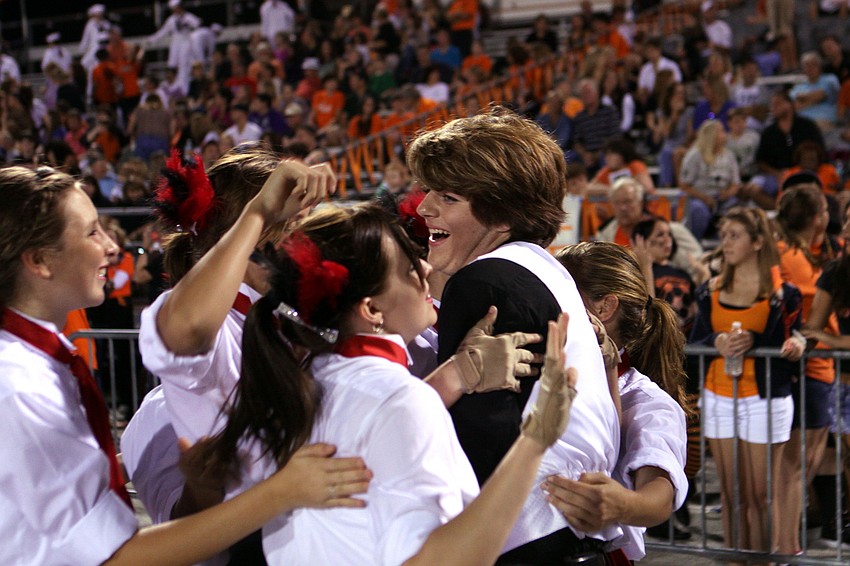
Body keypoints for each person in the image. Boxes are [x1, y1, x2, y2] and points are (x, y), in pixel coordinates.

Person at [0, 165, 373, 565]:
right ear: (39, 260)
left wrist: (203, 489)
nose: (111, 247)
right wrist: (282, 491)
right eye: (92, 232)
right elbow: (110, 558)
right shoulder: (19, 386)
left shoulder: (42, 366)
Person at [205, 202, 577, 565]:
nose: (426, 267)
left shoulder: (302, 381)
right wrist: (535, 441)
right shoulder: (398, 399)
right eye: (410, 268)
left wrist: (459, 373)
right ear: (371, 310)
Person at [410, 109, 621, 562]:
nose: (424, 207)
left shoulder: (482, 282)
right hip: (563, 528)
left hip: (521, 533)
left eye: (448, 196)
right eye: (428, 190)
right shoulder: (543, 267)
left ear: (501, 213)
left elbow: (475, 443)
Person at [550, 241, 689, 560]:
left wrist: (621, 505)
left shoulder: (643, 397)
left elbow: (659, 497)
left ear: (604, 308)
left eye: (558, 292)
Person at [689, 207, 805, 555]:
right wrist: (717, 341)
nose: (725, 242)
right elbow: (695, 342)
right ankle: (735, 561)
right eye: (723, 235)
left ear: (757, 242)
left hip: (764, 399)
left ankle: (763, 560)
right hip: (719, 395)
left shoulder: (782, 294)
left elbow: (792, 339)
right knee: (731, 495)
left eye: (735, 236)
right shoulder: (709, 290)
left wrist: (759, 341)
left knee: (760, 495)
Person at [773, 185, 842, 555]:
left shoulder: (794, 251)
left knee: (799, 466)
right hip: (811, 366)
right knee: (797, 467)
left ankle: (787, 544)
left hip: (816, 366)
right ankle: (785, 547)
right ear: (818, 218)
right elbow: (806, 316)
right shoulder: (793, 256)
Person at [802, 200, 850, 547]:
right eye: (847, 220)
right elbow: (812, 327)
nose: (847, 227)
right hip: (843, 382)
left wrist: (832, 340)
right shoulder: (835, 271)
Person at [595, 178, 704, 282]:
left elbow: (698, 264)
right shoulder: (604, 236)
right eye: (617, 203)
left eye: (628, 202)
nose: (622, 208)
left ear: (641, 202)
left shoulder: (670, 231)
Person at [679, 119, 741, 240]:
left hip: (723, 199)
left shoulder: (729, 155)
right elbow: (684, 186)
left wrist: (727, 193)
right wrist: (705, 198)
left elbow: (735, 183)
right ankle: (695, 242)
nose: (725, 134)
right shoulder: (695, 155)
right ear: (711, 135)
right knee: (698, 210)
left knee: (736, 210)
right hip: (698, 198)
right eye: (721, 131)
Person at [146, 0, 201, 93]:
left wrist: (188, 23)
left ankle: (183, 88)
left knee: (183, 66)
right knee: (171, 65)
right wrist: (152, 39)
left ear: (180, 7)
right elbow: (163, 31)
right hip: (175, 44)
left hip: (185, 43)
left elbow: (198, 23)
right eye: (173, 9)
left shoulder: (188, 17)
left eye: (176, 8)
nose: (175, 11)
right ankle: (172, 86)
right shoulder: (171, 19)